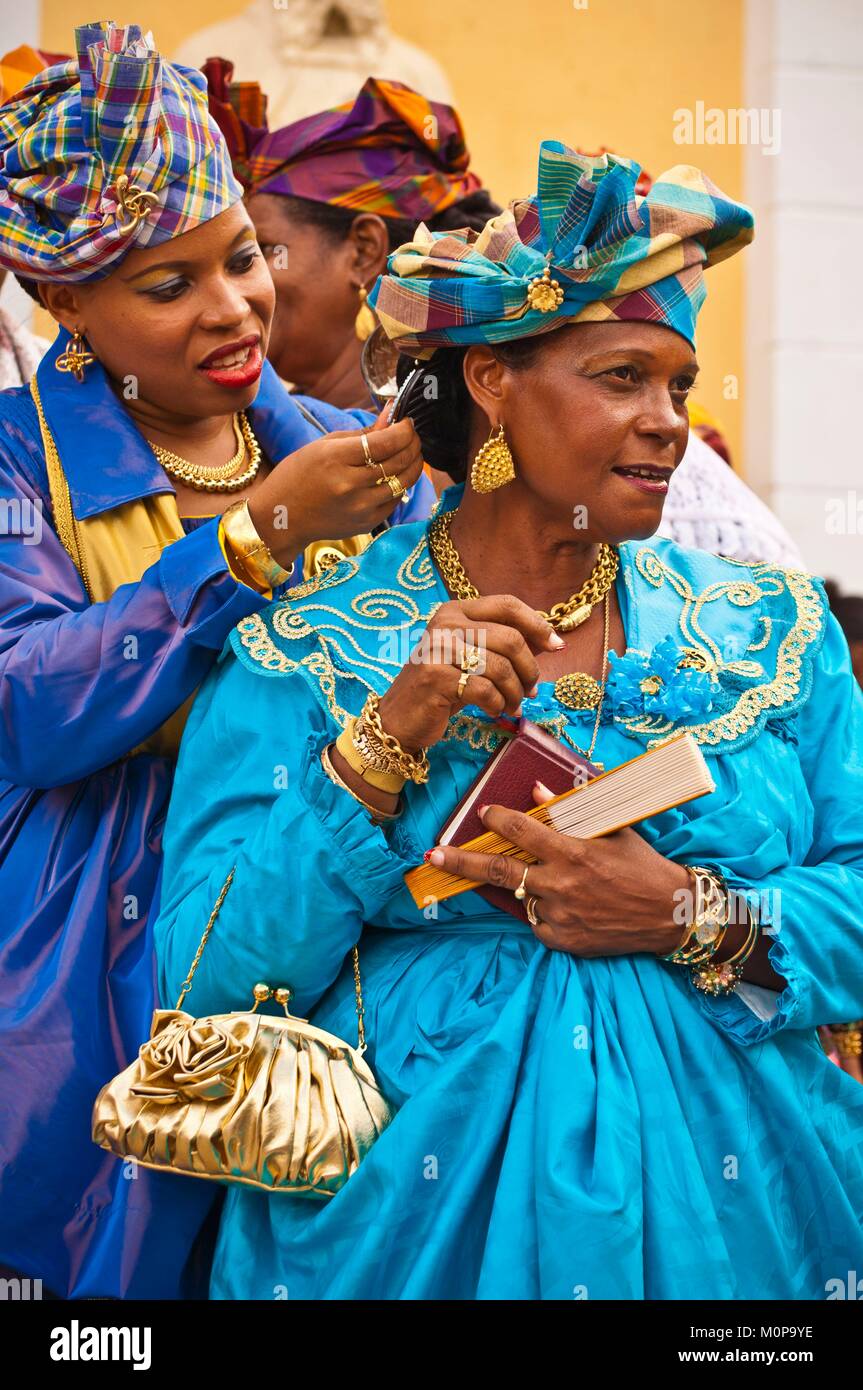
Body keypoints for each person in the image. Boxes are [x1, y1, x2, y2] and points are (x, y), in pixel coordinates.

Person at [155, 144, 863, 1299]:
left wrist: (686, 910)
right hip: (408, 1217)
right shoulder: (315, 644)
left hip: (739, 1221)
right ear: (490, 382)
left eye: (677, 388)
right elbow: (198, 981)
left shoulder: (761, 626)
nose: (667, 422)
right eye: (621, 378)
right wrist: (381, 743)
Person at [0, 20, 427, 1299]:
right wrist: (251, 540)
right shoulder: (22, 463)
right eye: (165, 284)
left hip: (337, 933)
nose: (234, 306)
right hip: (84, 955)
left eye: (240, 258)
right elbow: (30, 707)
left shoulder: (363, 455)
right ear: (62, 302)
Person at [205, 62, 500, 414]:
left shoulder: (431, 449)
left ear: (363, 250)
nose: (230, 292)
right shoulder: (257, 438)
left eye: (261, 252)